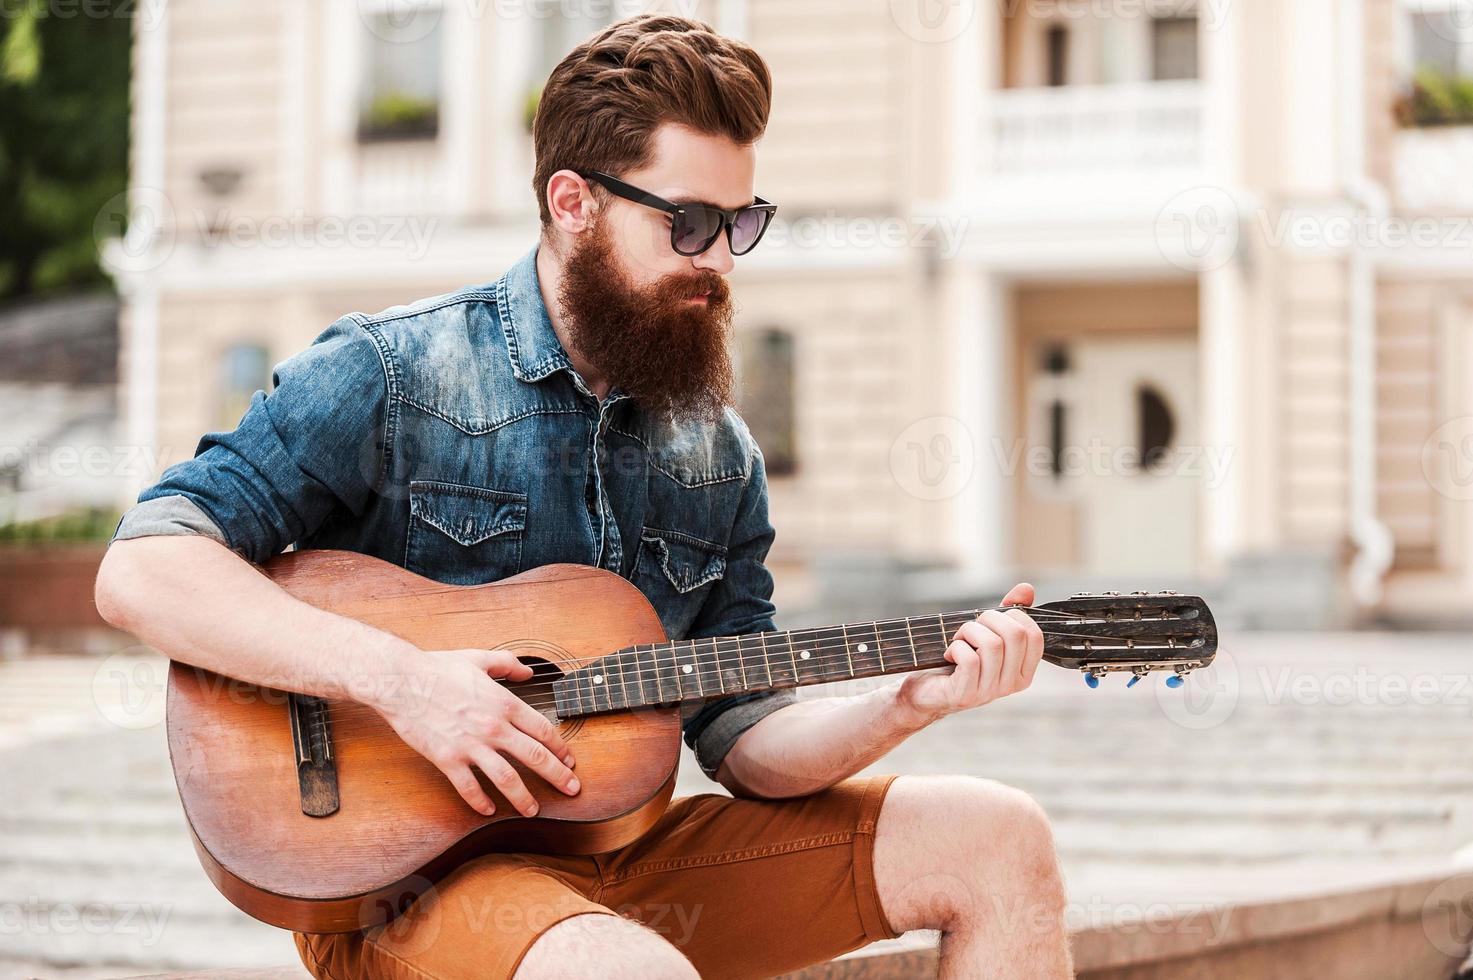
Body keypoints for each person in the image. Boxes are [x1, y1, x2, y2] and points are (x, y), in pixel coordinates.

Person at [94, 15, 1072, 979]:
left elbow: (745, 737)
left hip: (627, 864)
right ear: (573, 201)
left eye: (741, 223)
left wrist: (905, 702)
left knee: (998, 837)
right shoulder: (393, 372)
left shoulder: (716, 452)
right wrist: (402, 678)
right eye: (687, 223)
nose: (721, 259)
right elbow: (145, 568)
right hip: (409, 890)